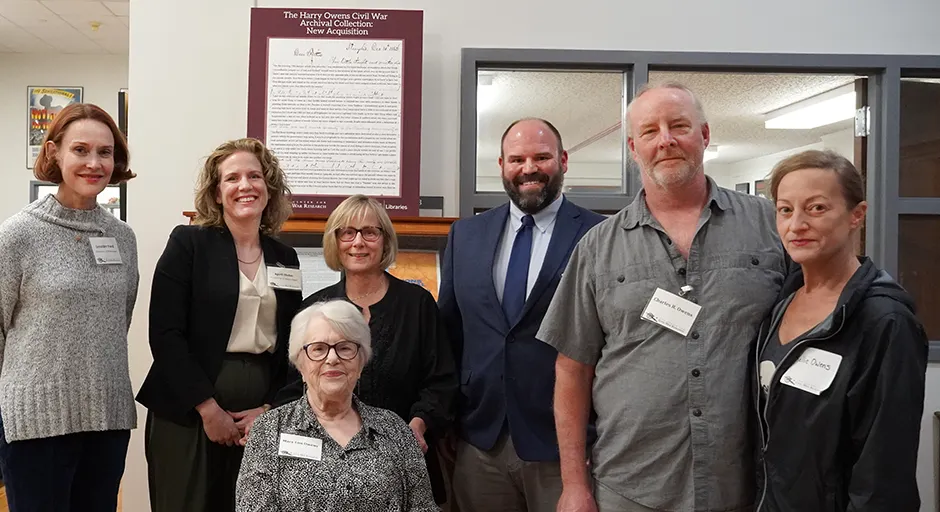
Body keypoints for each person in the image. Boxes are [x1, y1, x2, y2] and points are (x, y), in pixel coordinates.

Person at [538, 82, 787, 512]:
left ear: (704, 136)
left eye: (679, 126)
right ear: (634, 148)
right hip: (630, 487)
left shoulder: (770, 226)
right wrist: (574, 485)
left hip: (748, 485)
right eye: (650, 131)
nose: (666, 140)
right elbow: (571, 371)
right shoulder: (597, 248)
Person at [439, 117, 605, 511]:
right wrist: (448, 419)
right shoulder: (466, 236)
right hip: (480, 440)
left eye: (541, 157)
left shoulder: (600, 235)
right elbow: (449, 332)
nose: (529, 168)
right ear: (501, 166)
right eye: (517, 159)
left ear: (563, 160)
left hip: (564, 446)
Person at [754, 149, 926, 511]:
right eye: (786, 209)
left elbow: (884, 472)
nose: (796, 224)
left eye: (816, 208)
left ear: (856, 215)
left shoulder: (883, 321)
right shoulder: (782, 301)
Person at [136, 137, 303, 512]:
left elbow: (294, 342)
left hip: (258, 417)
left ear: (269, 188)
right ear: (216, 193)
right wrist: (208, 409)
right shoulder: (190, 244)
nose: (245, 185)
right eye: (232, 178)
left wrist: (271, 408)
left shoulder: (284, 257)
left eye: (255, 176)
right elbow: (165, 333)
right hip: (189, 411)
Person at [273, 194, 457, 504]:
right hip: (324, 466)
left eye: (370, 232)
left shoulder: (418, 305)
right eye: (347, 232)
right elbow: (293, 386)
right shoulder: (313, 310)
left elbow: (442, 381)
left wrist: (418, 425)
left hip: (401, 465)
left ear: (384, 241)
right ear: (336, 242)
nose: (358, 242)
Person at [0, 102, 138, 511]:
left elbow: (118, 318)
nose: (94, 163)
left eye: (105, 152)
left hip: (107, 419)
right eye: (80, 150)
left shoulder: (122, 238)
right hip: (36, 424)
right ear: (54, 153)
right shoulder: (18, 235)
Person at [236, 299, 438, 511]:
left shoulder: (394, 428)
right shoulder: (269, 430)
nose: (332, 358)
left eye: (344, 348)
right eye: (318, 349)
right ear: (300, 365)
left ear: (361, 362)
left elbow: (423, 507)